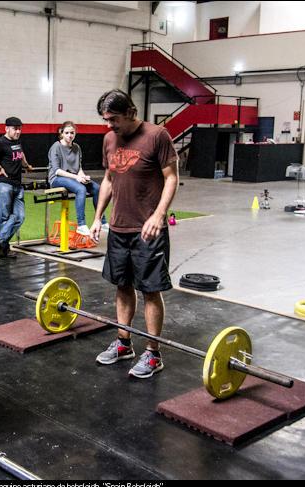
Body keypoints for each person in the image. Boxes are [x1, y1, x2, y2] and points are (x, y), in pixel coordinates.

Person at [89, 89, 179, 379]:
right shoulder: (109, 139)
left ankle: (153, 354)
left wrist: (158, 214)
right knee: (122, 285)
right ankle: (124, 343)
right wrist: (97, 217)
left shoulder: (157, 135)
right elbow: (109, 180)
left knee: (150, 290)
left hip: (148, 230)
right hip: (118, 228)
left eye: (113, 119)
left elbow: (172, 178)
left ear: (130, 112)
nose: (108, 125)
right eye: (105, 119)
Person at [0, 117, 34, 258]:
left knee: (20, 216)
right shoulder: (0, 142)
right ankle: (3, 249)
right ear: (6, 128)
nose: (18, 131)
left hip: (17, 185)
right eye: (15, 129)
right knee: (5, 218)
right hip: (4, 184)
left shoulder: (17, 141)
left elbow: (20, 154)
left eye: (19, 129)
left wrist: (26, 165)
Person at [47, 121, 107, 236]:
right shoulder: (56, 147)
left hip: (72, 178)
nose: (70, 135)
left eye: (72, 133)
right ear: (62, 134)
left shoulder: (77, 147)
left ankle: (102, 221)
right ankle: (81, 224)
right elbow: (57, 171)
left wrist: (83, 176)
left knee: (97, 188)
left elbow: (78, 168)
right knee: (81, 189)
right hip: (57, 179)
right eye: (67, 133)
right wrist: (77, 178)